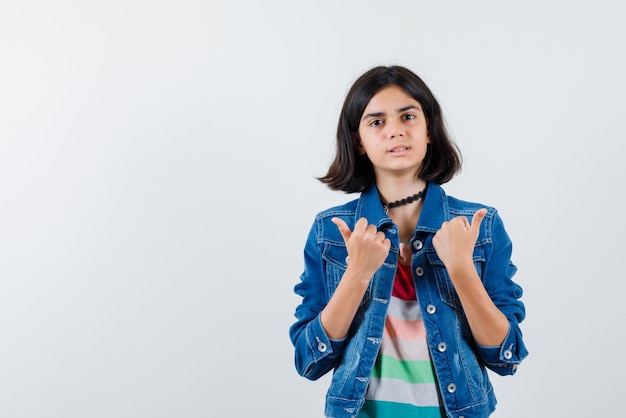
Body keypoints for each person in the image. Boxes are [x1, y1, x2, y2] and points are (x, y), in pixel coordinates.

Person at [289, 65, 528, 418]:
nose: (395, 131)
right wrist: (356, 276)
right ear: (358, 140)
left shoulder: (480, 226)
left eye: (408, 116)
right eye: (377, 122)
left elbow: (506, 356)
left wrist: (461, 269)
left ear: (428, 129)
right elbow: (309, 360)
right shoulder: (331, 230)